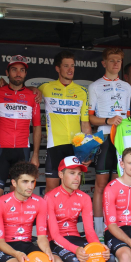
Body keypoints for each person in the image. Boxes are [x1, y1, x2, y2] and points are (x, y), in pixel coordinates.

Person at [45, 156, 121, 262]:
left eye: (79, 174)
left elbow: (89, 232)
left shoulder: (84, 197)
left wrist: (99, 246)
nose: (77, 178)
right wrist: (76, 250)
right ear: (60, 174)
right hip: (56, 242)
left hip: (75, 239)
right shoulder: (50, 197)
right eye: (72, 173)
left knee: (109, 258)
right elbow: (55, 235)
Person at [0, 57, 41, 221]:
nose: (18, 73)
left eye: (22, 70)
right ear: (7, 72)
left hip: (22, 151)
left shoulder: (32, 96)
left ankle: (15, 233)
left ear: (25, 74)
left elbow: (37, 126)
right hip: (1, 151)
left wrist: (36, 155)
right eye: (14, 69)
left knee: (18, 198)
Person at [89, 48, 131, 235]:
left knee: (117, 186)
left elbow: (128, 116)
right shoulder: (95, 86)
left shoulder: (127, 87)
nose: (115, 64)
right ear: (104, 63)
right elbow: (90, 118)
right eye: (112, 60)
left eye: (119, 60)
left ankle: (114, 227)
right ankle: (99, 231)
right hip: (104, 138)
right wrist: (108, 120)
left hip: (121, 140)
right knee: (101, 185)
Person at [38, 51, 92, 194]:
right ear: (58, 68)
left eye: (72, 66)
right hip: (54, 146)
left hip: (75, 147)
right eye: (66, 66)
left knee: (74, 189)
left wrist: (87, 151)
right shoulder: (46, 87)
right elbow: (27, 91)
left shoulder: (82, 91)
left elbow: (85, 124)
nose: (70, 69)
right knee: (51, 190)